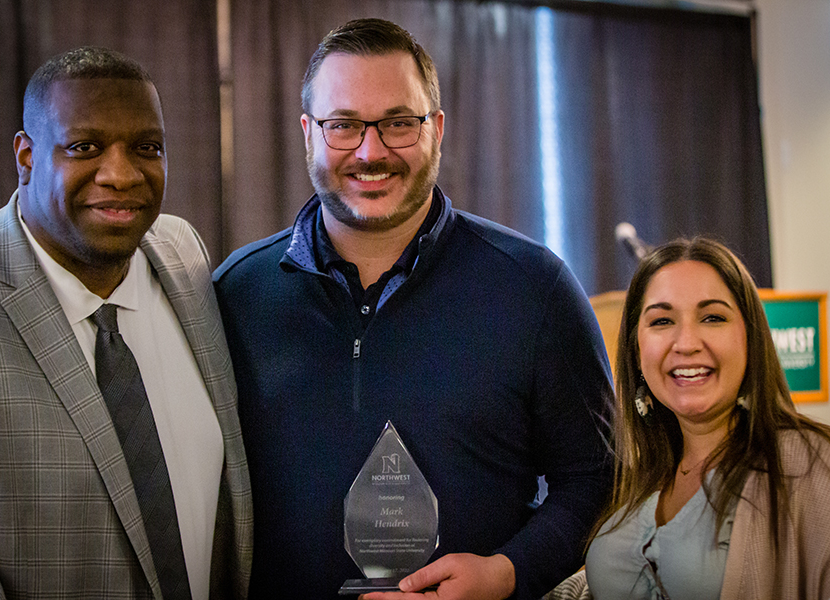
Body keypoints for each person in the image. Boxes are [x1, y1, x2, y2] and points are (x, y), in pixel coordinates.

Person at [213, 18, 613, 600]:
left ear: (437, 129)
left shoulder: (535, 288)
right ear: (307, 134)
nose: (371, 152)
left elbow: (595, 480)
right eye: (343, 126)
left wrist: (507, 573)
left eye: (399, 124)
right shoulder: (236, 296)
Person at [0, 47, 252, 599]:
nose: (122, 175)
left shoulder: (182, 252)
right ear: (26, 156)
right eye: (85, 147)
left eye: (147, 148)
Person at [580, 237, 830, 599]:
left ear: (750, 337)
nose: (686, 342)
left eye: (712, 317)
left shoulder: (810, 465)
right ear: (636, 349)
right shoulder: (633, 474)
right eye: (662, 321)